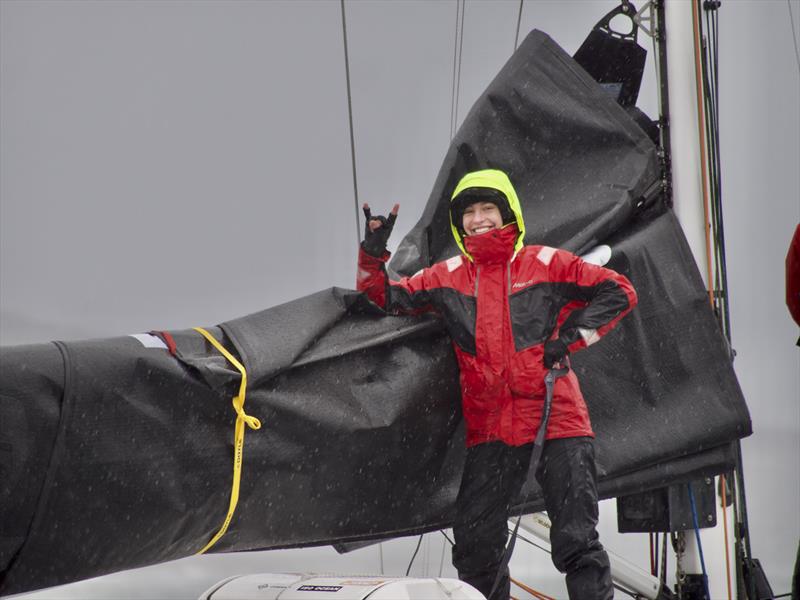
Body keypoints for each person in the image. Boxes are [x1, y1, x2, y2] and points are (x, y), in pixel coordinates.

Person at [357, 169, 637, 600]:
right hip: (490, 429)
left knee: (576, 543)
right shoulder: (445, 276)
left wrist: (570, 339)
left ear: (508, 213)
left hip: (556, 420)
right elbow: (386, 299)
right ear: (459, 221)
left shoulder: (547, 263)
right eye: (468, 211)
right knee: (474, 546)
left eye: (488, 208)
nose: (478, 218)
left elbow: (618, 292)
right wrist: (373, 254)